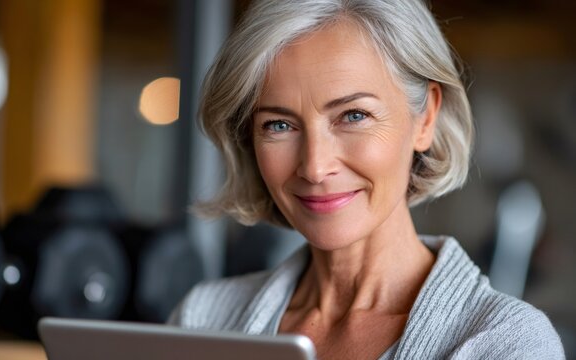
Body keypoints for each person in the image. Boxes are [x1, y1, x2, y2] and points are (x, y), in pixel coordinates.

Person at [168, 0, 565, 358]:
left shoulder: (506, 343)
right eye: (278, 124)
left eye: (353, 116)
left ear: (425, 117)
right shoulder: (203, 319)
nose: (315, 166)